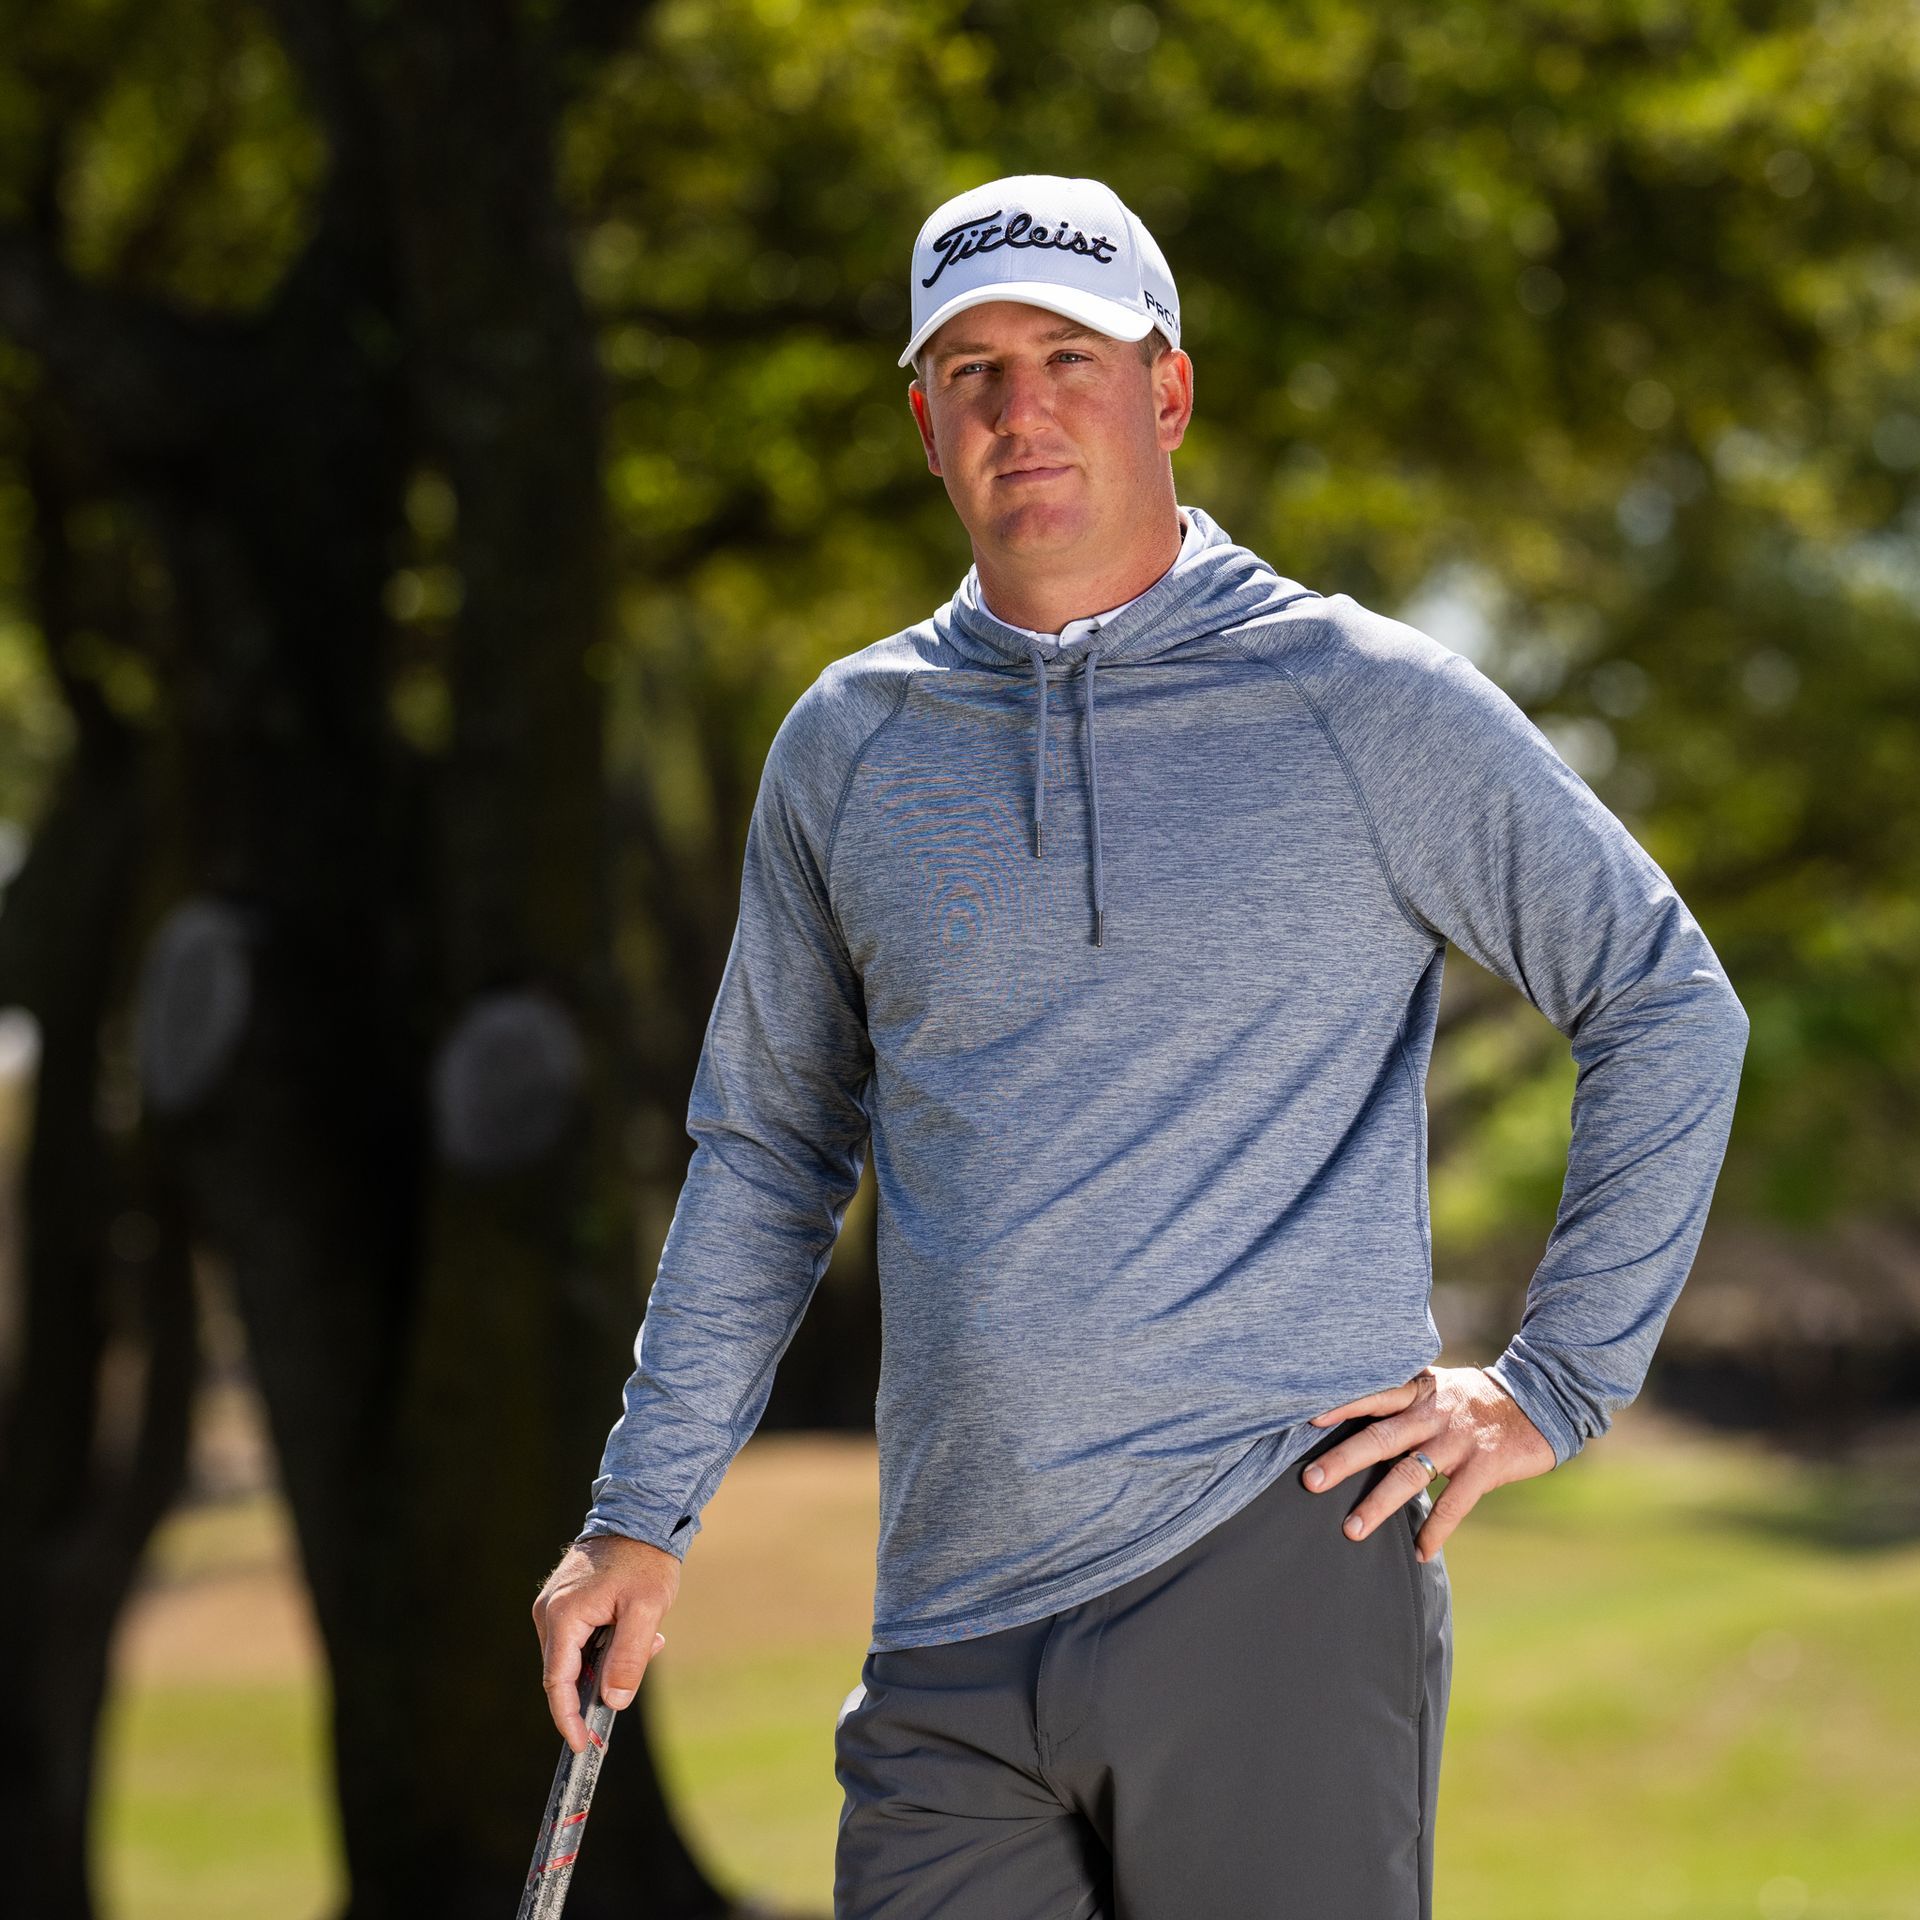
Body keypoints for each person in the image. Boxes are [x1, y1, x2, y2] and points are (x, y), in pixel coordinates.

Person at [530, 173, 1750, 1917]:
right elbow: (772, 1152)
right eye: (972, 372)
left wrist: (1554, 1382)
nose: (1020, 410)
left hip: (1276, 1574)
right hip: (950, 1623)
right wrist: (637, 1513)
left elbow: (1664, 999)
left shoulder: (1362, 701)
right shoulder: (848, 746)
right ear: (924, 424)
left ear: (1165, 392)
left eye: (1065, 358)